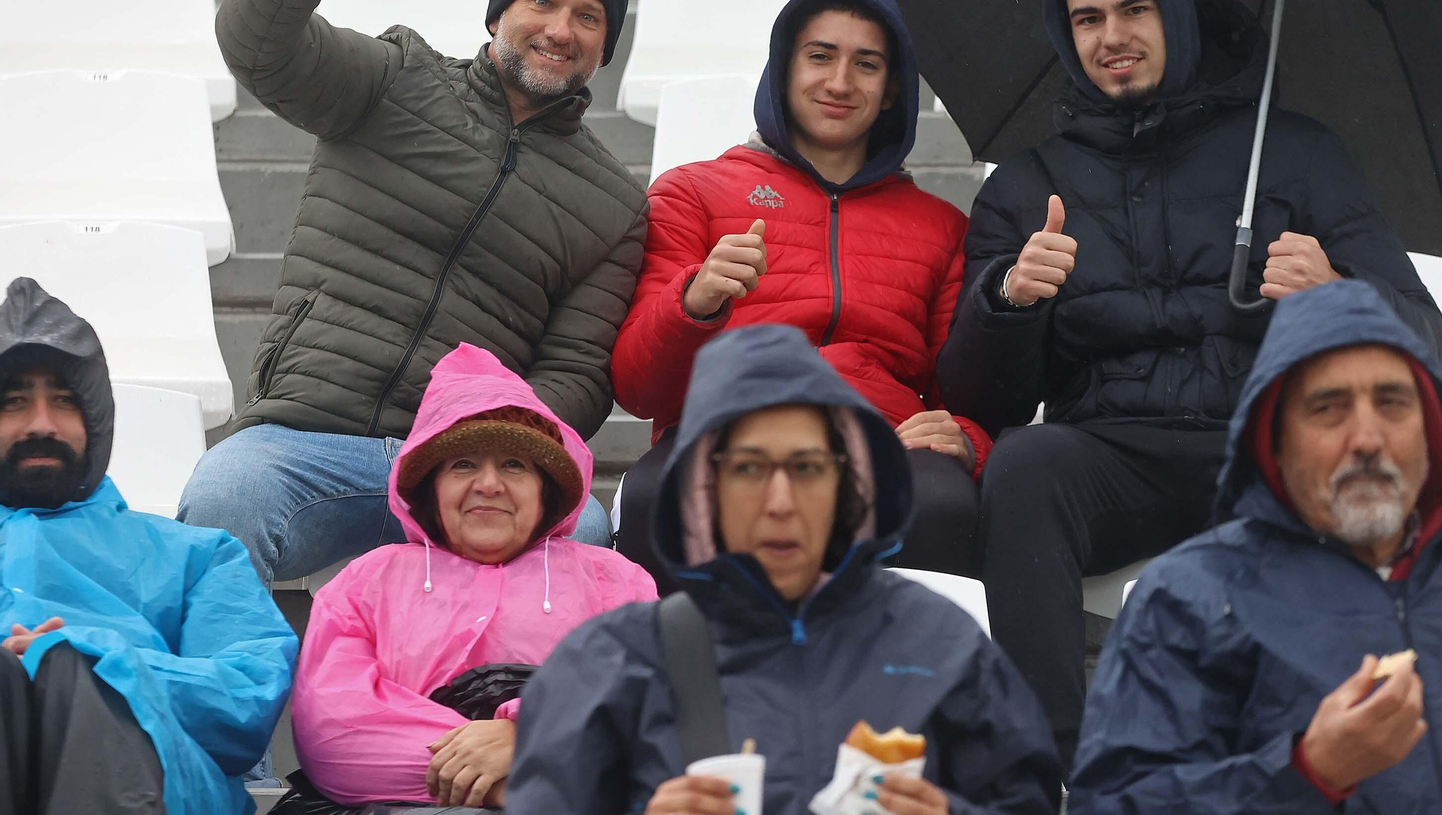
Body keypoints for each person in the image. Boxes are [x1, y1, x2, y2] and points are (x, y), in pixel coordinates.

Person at [937, 0, 1442, 771]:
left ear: (1176, 18)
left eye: (1135, 9)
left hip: (1261, 444)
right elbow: (978, 401)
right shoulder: (1027, 184)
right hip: (1108, 450)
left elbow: (1421, 336)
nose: (1113, 37)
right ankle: (1035, 772)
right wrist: (1010, 299)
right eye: (1088, 18)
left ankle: (1312, 763)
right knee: (1024, 466)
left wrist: (1338, 297)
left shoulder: (1296, 152)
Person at [181, 0, 648, 582]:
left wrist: (486, 439)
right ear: (500, 14)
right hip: (307, 435)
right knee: (224, 496)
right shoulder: (397, 76)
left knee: (578, 531)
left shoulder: (616, 203)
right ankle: (223, 689)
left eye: (589, 17)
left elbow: (578, 372)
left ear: (605, 47)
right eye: (543, 2)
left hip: (470, 459)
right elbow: (260, 53)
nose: (561, 29)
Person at [1070, 279, 1442, 813]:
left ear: (1432, 433)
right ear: (1273, 440)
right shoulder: (1189, 602)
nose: (1367, 438)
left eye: (1393, 404)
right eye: (1329, 408)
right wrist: (1308, 774)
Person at [505, 324, 1061, 815]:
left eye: (806, 467)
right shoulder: (613, 664)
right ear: (704, 490)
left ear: (849, 485)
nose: (779, 501)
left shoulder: (942, 645)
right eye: (748, 468)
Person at [611, 0, 987, 589]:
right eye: (820, 56)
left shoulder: (940, 226)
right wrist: (695, 302)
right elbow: (637, 389)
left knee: (945, 502)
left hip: (883, 438)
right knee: (660, 496)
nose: (839, 82)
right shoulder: (692, 192)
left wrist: (967, 439)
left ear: (893, 89)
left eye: (867, 65)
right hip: (725, 429)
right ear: (784, 67)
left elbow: (967, 395)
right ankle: (686, 684)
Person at [283, 342, 655, 812]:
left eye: (514, 464)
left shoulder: (616, 581)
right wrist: (516, 776)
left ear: (547, 488)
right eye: (463, 464)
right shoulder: (367, 580)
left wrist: (525, 735)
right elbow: (333, 728)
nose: (488, 484)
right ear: (430, 486)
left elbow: (648, 705)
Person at [0, 277, 297, 815]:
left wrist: (95, 659)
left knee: (68, 671)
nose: (40, 424)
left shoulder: (199, 557)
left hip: (160, 785)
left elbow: (246, 699)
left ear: (95, 418)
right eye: (14, 402)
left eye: (63, 401)